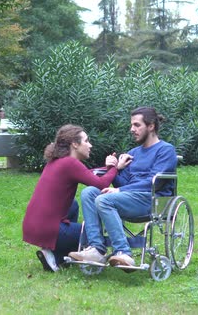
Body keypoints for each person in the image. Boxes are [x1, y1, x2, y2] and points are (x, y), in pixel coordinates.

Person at [68, 107, 177, 268]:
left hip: (152, 200)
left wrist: (120, 191)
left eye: (137, 125)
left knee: (104, 200)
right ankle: (96, 249)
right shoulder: (133, 153)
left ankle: (124, 252)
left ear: (151, 126)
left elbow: (155, 182)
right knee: (89, 192)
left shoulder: (166, 150)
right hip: (130, 200)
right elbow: (123, 184)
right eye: (132, 125)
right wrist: (115, 168)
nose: (132, 129)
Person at [22, 124, 119, 272]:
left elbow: (89, 174)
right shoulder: (71, 163)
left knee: (72, 205)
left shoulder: (57, 161)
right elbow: (102, 184)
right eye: (86, 141)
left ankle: (54, 255)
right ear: (74, 144)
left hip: (33, 227)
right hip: (48, 230)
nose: (90, 145)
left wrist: (107, 168)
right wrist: (115, 168)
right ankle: (55, 253)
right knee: (94, 233)